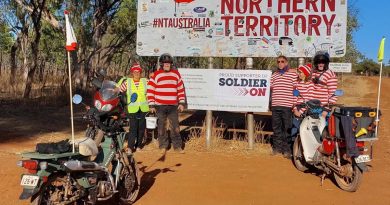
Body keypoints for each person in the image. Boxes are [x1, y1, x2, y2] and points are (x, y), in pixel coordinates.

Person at [147, 53, 186, 154]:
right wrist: (151, 105)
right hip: (159, 106)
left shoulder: (176, 74)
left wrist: (181, 103)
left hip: (173, 106)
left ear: (171, 64)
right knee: (161, 127)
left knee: (175, 127)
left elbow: (180, 89)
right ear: (161, 64)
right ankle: (163, 146)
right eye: (165, 63)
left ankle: (177, 146)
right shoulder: (156, 74)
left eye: (169, 63)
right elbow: (150, 90)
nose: (167, 64)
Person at [117, 63, 150, 153]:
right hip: (132, 109)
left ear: (140, 73)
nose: (136, 73)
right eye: (135, 72)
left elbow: (152, 88)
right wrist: (112, 90)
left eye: (138, 72)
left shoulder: (145, 81)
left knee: (141, 128)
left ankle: (138, 145)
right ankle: (130, 147)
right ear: (132, 73)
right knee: (133, 128)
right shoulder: (128, 82)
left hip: (143, 108)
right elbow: (119, 89)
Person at [270, 55, 297, 158]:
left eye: (282, 61)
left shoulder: (292, 75)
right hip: (275, 105)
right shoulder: (274, 75)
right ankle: (277, 148)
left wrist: (294, 104)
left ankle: (287, 150)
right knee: (276, 128)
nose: (280, 63)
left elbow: (295, 91)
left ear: (286, 62)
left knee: (287, 128)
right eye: (278, 62)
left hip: (287, 106)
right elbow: (270, 89)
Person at [291, 64, 314, 139]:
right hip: (296, 108)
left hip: (305, 110)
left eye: (300, 72)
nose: (298, 74)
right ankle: (293, 146)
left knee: (303, 129)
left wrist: (300, 112)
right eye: (298, 72)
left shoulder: (310, 84)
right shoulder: (297, 83)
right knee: (294, 129)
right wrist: (294, 109)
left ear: (305, 74)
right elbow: (295, 97)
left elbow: (309, 99)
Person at [311, 52, 338, 117]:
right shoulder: (313, 72)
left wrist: (326, 109)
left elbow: (333, 93)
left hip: (323, 107)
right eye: (318, 62)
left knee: (322, 126)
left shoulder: (330, 74)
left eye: (323, 62)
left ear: (326, 63)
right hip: (311, 106)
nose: (320, 64)